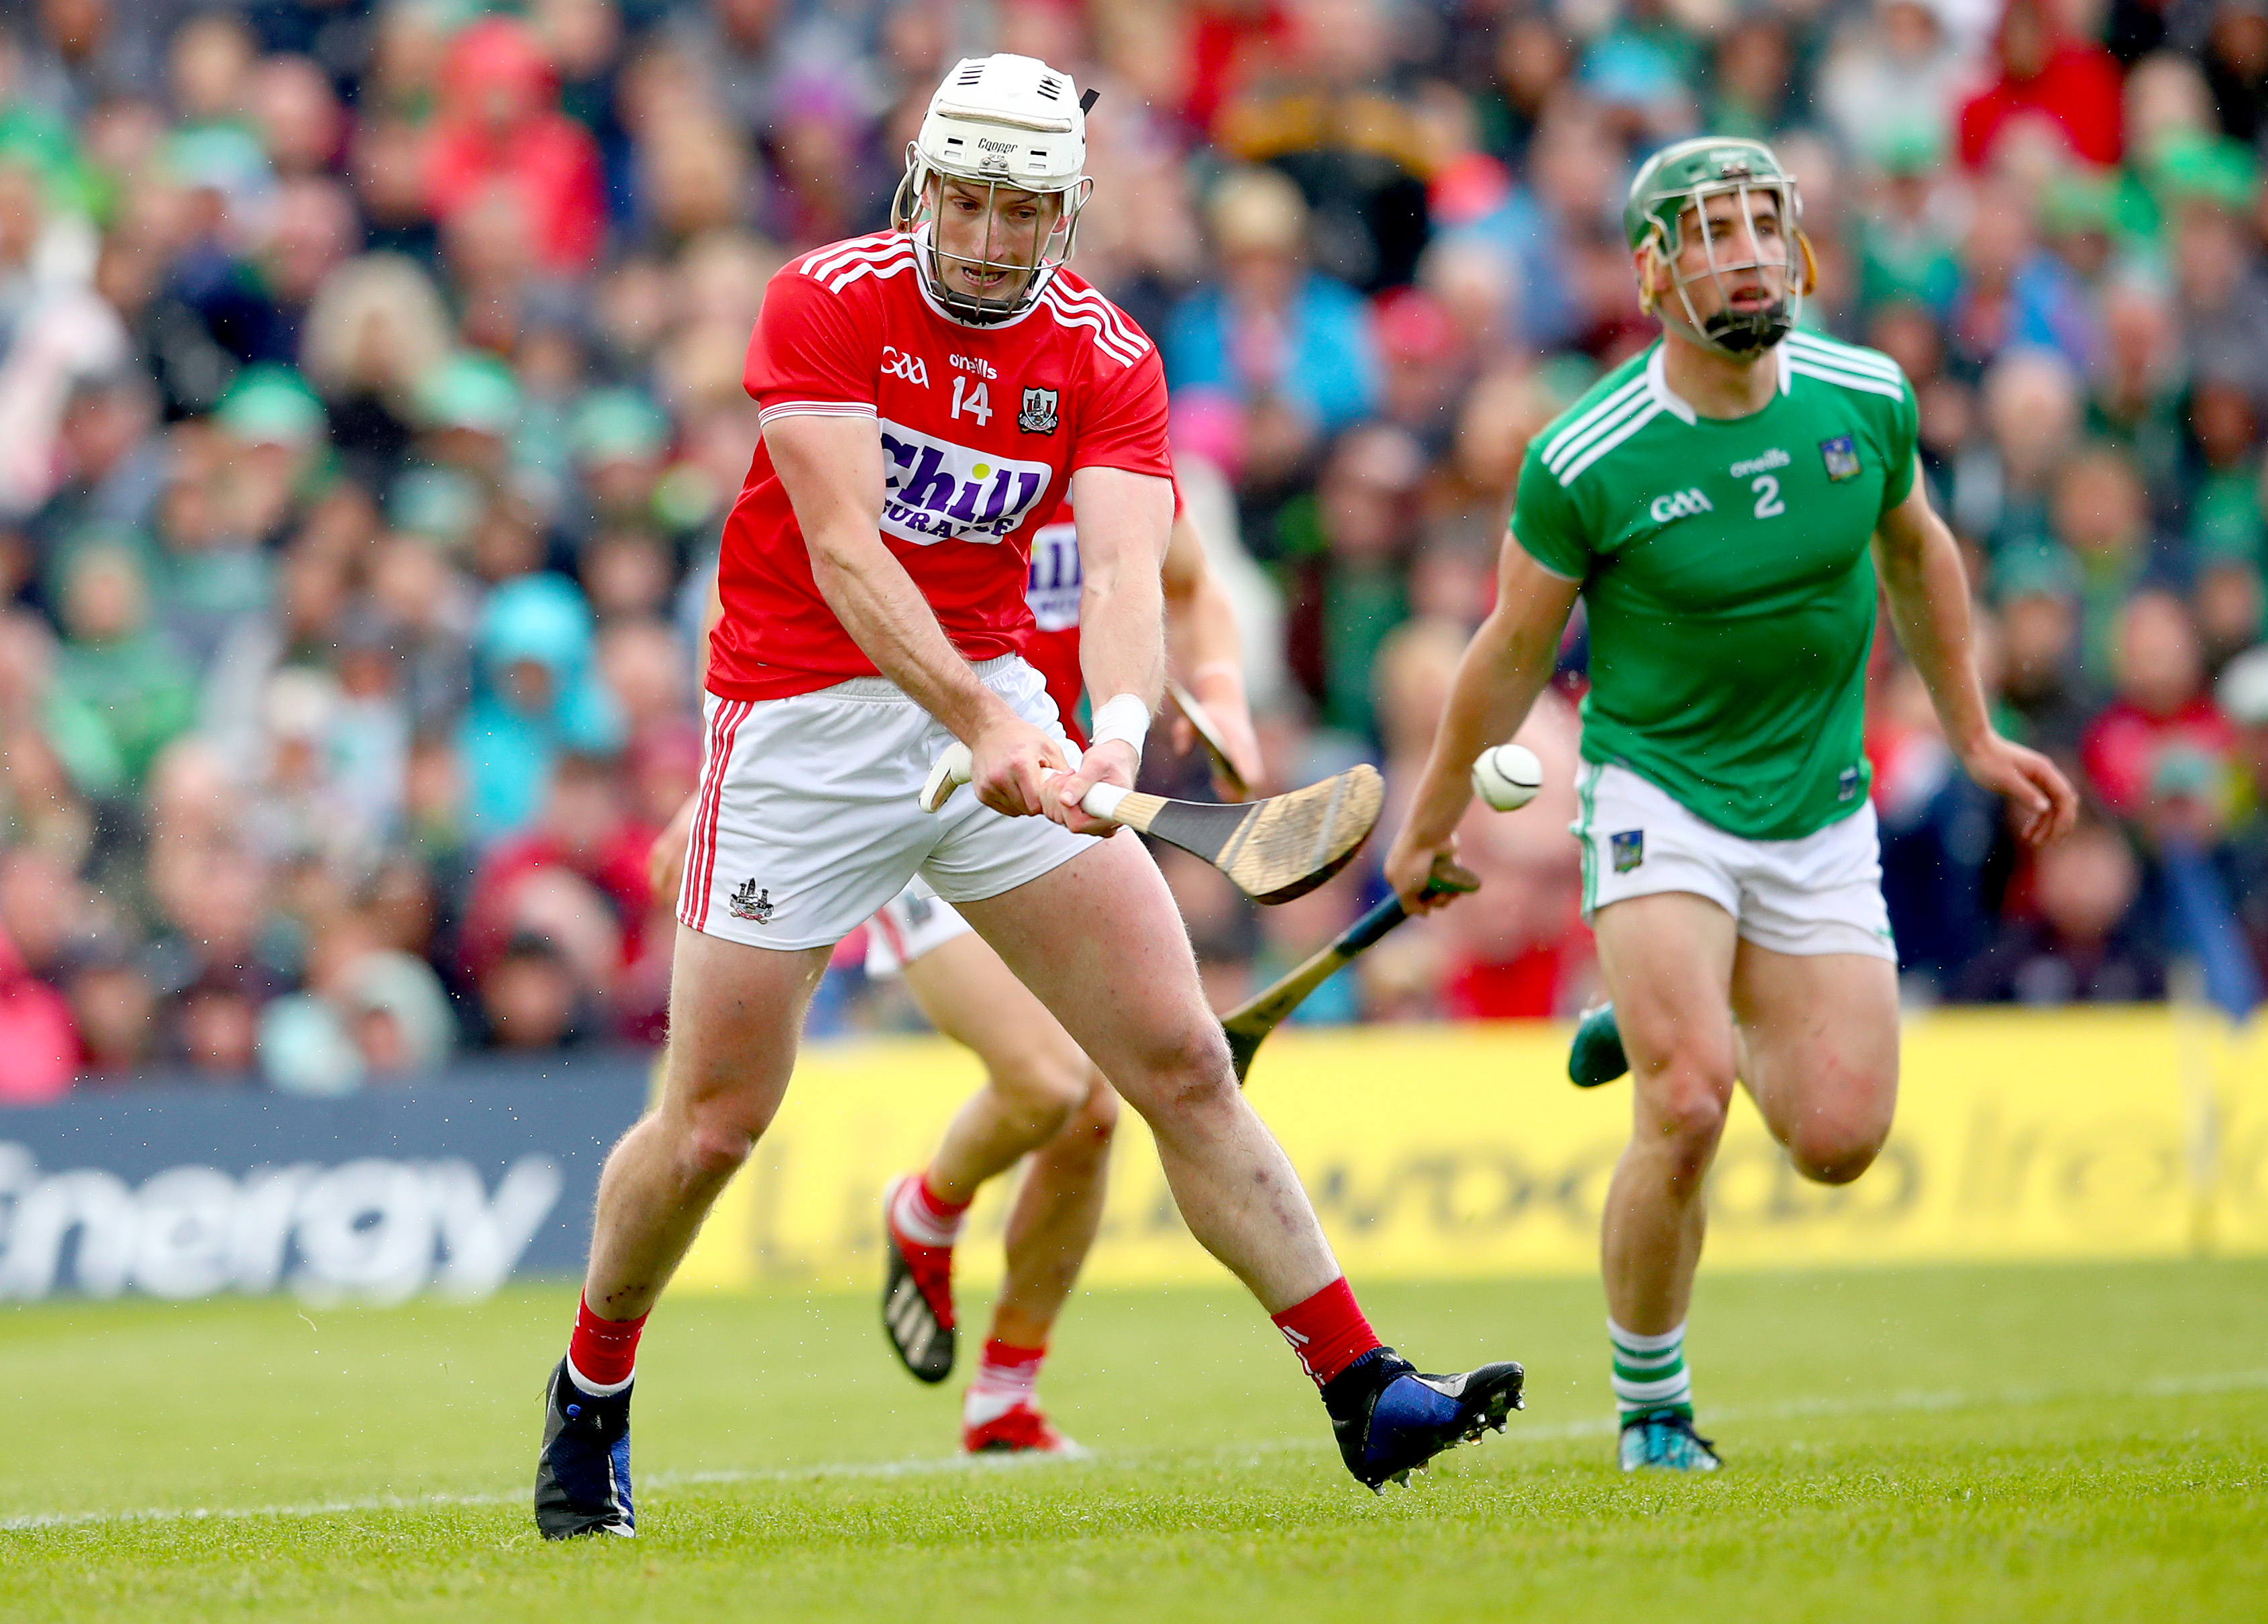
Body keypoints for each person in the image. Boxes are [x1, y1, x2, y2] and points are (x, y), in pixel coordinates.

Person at [535, 54, 1523, 1540]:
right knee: (717, 1123)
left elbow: (1132, 569)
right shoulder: (828, 297)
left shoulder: (1109, 353)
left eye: (1027, 210)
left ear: (1068, 213)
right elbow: (847, 553)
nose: (994, 237)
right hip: (801, 731)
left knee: (1180, 1061)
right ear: (925, 188)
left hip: (1004, 707)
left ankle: (1359, 1385)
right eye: (973, 202)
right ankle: (590, 1393)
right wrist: (984, 714)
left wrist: (1112, 735)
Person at [1384, 138, 2077, 1474]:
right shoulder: (1587, 455)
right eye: (1710, 232)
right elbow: (1507, 654)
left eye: (1765, 223)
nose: (1748, 251)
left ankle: (1662, 1003)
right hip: (1660, 792)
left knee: (1836, 1140)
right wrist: (1429, 820)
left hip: (1820, 802)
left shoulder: (1865, 398)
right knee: (1690, 1101)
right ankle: (1654, 1402)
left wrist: (1975, 732)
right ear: (1651, 270)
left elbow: (1919, 552)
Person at [649, 494, 1263, 1456]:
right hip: (914, 791)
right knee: (1050, 1083)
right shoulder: (949, 467)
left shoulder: (1115, 472)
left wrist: (1220, 694)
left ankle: (1004, 1401)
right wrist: (718, 777)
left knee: (1097, 1115)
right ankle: (927, 1207)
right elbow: (751, 608)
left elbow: (1191, 590)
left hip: (1050, 797)